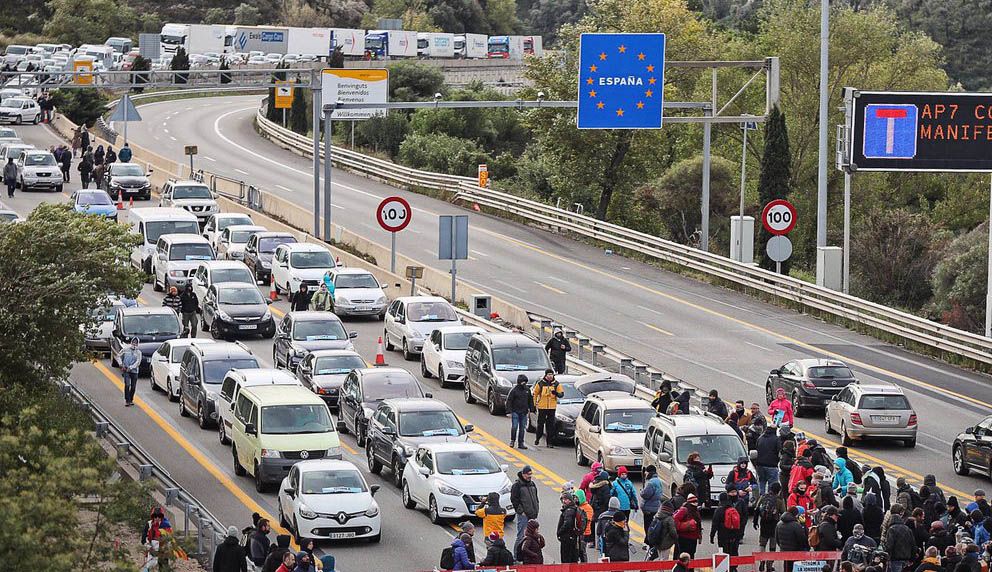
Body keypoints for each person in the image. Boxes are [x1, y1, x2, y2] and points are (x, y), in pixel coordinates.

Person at [755, 482, 786, 571]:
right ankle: (770, 563)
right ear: (779, 490)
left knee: (762, 544)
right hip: (774, 524)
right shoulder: (779, 499)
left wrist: (755, 521)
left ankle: (762, 560)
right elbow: (783, 512)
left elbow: (757, 508)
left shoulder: (764, 496)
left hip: (764, 523)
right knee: (772, 546)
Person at [511, 465, 539, 560]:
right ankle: (516, 557)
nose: (529, 476)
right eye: (527, 474)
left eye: (530, 474)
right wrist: (521, 511)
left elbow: (536, 498)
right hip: (523, 515)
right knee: (521, 536)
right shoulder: (517, 485)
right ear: (523, 474)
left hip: (532, 514)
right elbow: (514, 500)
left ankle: (526, 556)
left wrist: (536, 509)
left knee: (532, 537)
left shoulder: (532, 484)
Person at [711, 492, 744, 567]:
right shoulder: (733, 509)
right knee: (734, 551)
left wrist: (712, 536)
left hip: (723, 535)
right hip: (734, 535)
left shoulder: (719, 510)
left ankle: (725, 567)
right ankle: (734, 567)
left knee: (724, 552)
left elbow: (714, 524)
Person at [532, 369, 563, 447]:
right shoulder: (541, 383)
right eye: (548, 374)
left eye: (551, 374)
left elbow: (561, 394)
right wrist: (534, 405)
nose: (550, 376)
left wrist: (555, 393)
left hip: (552, 407)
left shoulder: (556, 384)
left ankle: (549, 442)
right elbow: (535, 394)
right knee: (540, 424)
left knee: (550, 425)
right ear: (545, 375)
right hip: (542, 406)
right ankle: (538, 438)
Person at [775, 507, 809, 572]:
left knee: (787, 568)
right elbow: (802, 540)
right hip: (796, 552)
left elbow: (777, 538)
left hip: (785, 551)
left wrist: (782, 547)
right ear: (796, 514)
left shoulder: (779, 524)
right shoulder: (796, 525)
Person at [506, 374, 532, 449]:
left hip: (524, 412)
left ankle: (521, 443)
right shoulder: (514, 390)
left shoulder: (527, 390)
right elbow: (509, 401)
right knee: (514, 427)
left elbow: (530, 400)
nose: (524, 383)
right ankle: (512, 440)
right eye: (523, 382)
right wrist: (509, 412)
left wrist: (532, 410)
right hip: (515, 411)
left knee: (522, 428)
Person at [674, 494, 702, 558]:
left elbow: (698, 525)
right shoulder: (684, 510)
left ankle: (690, 568)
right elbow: (675, 519)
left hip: (693, 539)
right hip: (684, 538)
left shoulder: (695, 511)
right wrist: (682, 526)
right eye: (693, 502)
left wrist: (699, 536)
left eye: (696, 502)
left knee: (691, 555)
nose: (695, 504)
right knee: (684, 555)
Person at [755, 424, 781, 495]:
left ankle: (761, 498)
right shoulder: (776, 439)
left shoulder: (760, 438)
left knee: (762, 482)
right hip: (771, 465)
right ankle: (769, 500)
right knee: (772, 485)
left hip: (760, 465)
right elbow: (779, 451)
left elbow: (756, 448)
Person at [557, 492, 580, 563]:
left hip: (567, 538)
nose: (564, 501)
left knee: (566, 559)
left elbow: (567, 524)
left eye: (566, 499)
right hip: (572, 537)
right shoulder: (573, 508)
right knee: (573, 558)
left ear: (570, 500)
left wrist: (559, 532)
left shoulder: (569, 511)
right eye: (563, 499)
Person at [641, 465, 664, 531]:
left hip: (649, 507)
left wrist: (641, 492)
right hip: (656, 506)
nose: (645, 473)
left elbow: (646, 494)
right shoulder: (658, 480)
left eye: (646, 471)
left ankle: (648, 540)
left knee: (648, 525)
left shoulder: (650, 482)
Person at [119, 337, 142, 406]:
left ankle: (131, 399)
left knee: (133, 387)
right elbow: (118, 356)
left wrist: (131, 367)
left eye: (136, 343)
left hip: (134, 371)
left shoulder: (138, 352)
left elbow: (138, 362)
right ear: (131, 342)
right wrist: (120, 364)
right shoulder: (125, 350)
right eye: (133, 342)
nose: (134, 344)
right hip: (126, 370)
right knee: (127, 385)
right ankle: (127, 400)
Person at [576, 490, 594, 562]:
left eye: (577, 498)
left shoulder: (588, 507)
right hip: (580, 532)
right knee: (578, 550)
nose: (576, 500)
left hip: (585, 532)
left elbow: (588, 519)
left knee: (582, 550)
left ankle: (584, 565)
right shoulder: (578, 506)